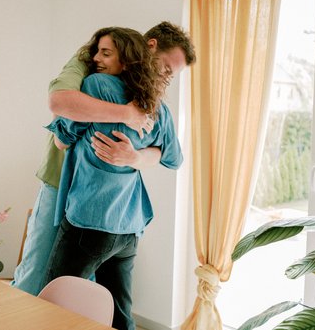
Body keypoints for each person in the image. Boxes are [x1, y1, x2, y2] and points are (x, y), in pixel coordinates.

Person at [11, 21, 195, 296]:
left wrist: (134, 157)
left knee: (69, 291)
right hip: (63, 184)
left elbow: (168, 155)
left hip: (97, 209)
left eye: (173, 75)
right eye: (167, 69)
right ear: (150, 47)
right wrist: (126, 115)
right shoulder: (92, 66)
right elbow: (59, 103)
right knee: (40, 273)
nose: (167, 78)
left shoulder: (150, 102)